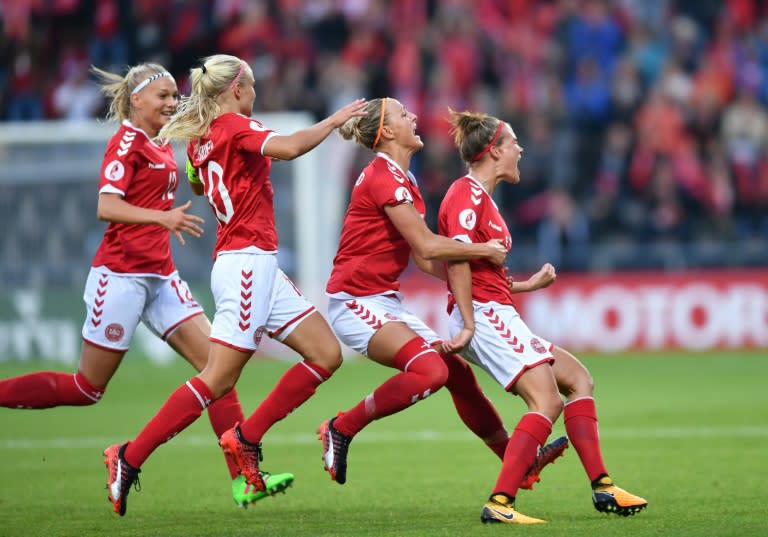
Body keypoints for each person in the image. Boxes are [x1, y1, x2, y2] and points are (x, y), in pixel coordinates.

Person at [0, 62, 292, 509]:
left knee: (216, 373)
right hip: (119, 277)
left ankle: (245, 478)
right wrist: (163, 217)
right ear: (136, 100)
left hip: (161, 275)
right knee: (87, 389)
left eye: (175, 96)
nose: (171, 103)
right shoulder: (125, 143)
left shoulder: (158, 143)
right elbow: (107, 206)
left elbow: (193, 176)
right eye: (163, 96)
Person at [101, 54, 368, 517]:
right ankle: (129, 457)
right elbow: (287, 148)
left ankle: (245, 439)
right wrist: (335, 119)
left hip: (257, 263)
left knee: (326, 353)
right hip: (245, 265)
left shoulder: (205, 137)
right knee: (218, 379)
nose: (257, 93)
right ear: (238, 88)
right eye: (254, 86)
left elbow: (202, 186)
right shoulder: (231, 127)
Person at [316, 97, 566, 488]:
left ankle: (519, 463)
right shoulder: (382, 175)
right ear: (386, 132)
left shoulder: (405, 179)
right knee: (431, 371)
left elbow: (428, 259)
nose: (413, 117)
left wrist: (512, 285)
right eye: (402, 114)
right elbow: (430, 246)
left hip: (384, 302)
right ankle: (342, 427)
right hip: (355, 302)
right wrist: (482, 249)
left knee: (458, 375)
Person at [438, 109, 648, 524]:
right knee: (547, 398)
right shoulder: (466, 195)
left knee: (578, 378)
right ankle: (500, 503)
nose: (520, 149)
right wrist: (467, 322)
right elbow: (457, 260)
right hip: (482, 314)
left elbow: (482, 268)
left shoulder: (483, 200)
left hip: (492, 308)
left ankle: (603, 487)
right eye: (513, 142)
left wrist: (526, 286)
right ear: (494, 151)